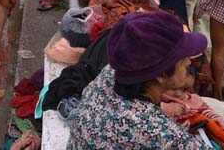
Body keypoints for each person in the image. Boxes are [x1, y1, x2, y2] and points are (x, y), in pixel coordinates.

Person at [68, 12, 209, 150]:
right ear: (160, 74)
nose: (188, 61)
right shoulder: (158, 133)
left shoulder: (110, 73)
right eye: (182, 57)